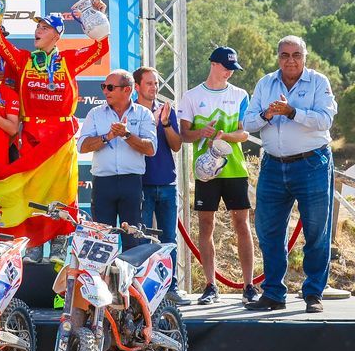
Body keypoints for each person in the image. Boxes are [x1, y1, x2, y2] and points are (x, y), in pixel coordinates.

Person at [243, 36, 338, 313]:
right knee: (268, 230)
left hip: (312, 164)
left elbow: (325, 120)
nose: (291, 60)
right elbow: (247, 122)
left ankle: (313, 293)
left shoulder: (318, 82)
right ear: (278, 57)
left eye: (296, 54)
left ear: (305, 57)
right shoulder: (265, 83)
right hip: (273, 165)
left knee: (316, 231)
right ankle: (274, 293)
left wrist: (292, 112)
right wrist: (267, 115)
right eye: (285, 55)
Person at [0, 0, 108, 153]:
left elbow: (100, 49)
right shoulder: (24, 60)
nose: (38, 31)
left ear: (56, 36)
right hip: (31, 137)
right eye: (38, 27)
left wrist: (99, 20)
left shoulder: (68, 60)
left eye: (45, 28)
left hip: (61, 136)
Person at [179, 46, 255, 305]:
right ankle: (210, 285)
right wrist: (202, 133)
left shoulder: (240, 94)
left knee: (242, 224)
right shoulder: (191, 96)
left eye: (233, 68)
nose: (229, 72)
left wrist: (224, 136)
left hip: (235, 169)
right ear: (213, 64)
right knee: (205, 225)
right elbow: (184, 135)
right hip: (206, 171)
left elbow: (244, 133)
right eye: (226, 67)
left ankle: (248, 286)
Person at [77, 69, 156, 248]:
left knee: (133, 240)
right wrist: (108, 137)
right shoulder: (95, 113)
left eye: (110, 87)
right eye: (103, 86)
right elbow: (82, 146)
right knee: (102, 241)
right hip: (103, 183)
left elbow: (151, 149)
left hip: (131, 182)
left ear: (127, 90)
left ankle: (131, 268)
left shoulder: (144, 114)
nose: (105, 91)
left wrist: (127, 135)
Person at [134, 65, 185, 303]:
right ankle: (143, 290)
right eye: (149, 83)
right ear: (137, 87)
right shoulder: (131, 112)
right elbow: (134, 144)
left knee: (169, 239)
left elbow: (176, 145)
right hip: (141, 184)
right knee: (142, 239)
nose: (154, 87)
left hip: (167, 183)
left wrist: (165, 124)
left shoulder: (166, 109)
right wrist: (152, 123)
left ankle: (170, 288)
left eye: (156, 83)